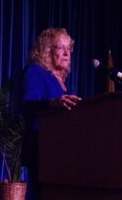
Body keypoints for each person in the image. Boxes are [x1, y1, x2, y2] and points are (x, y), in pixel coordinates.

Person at [21, 28, 81, 199]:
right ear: (47, 50)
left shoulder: (61, 81)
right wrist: (52, 103)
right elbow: (27, 105)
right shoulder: (36, 72)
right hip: (42, 148)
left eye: (68, 48)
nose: (66, 52)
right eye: (60, 47)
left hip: (62, 150)